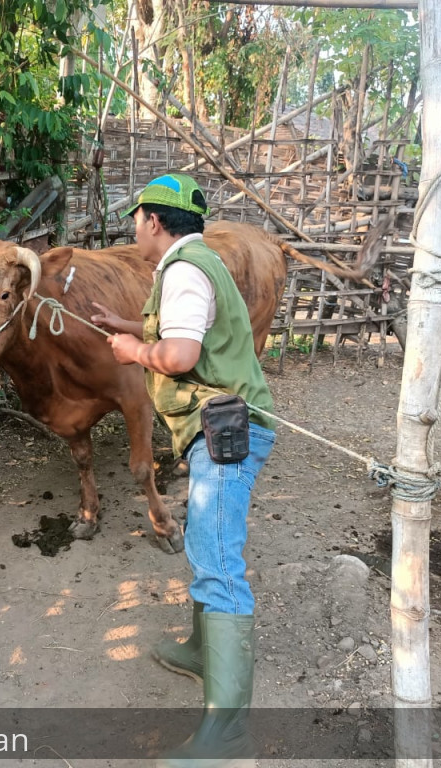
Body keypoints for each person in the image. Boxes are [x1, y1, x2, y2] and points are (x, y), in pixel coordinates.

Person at [91, 174, 276, 767]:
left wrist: (134, 353)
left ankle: (229, 737)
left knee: (219, 564)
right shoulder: (191, 263)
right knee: (204, 544)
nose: (133, 228)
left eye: (136, 218)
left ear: (152, 220)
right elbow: (178, 332)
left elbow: (179, 354)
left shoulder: (183, 271)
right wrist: (121, 326)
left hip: (226, 432)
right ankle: (202, 651)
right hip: (218, 427)